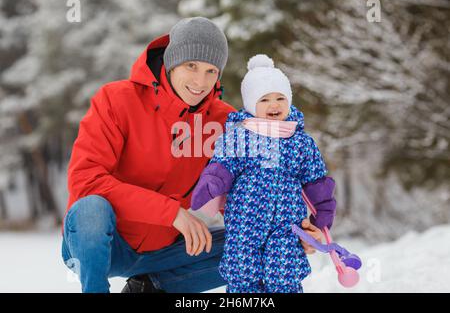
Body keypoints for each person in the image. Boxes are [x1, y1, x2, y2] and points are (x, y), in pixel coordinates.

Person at [62, 17, 235, 293]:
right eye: (191, 65)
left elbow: (248, 186)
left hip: (168, 252)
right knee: (91, 209)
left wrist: (296, 223)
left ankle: (149, 287)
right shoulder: (116, 100)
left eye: (211, 71)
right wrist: (171, 213)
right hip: (105, 246)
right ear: (171, 60)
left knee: (271, 243)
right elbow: (86, 180)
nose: (200, 81)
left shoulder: (224, 121)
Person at [191, 54, 337, 293]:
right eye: (265, 99)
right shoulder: (238, 137)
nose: (274, 105)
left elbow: (317, 184)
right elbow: (223, 166)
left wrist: (321, 219)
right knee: (242, 274)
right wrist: (211, 183)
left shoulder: (300, 142)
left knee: (284, 275)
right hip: (244, 223)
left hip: (286, 226)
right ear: (251, 105)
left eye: (280, 98)